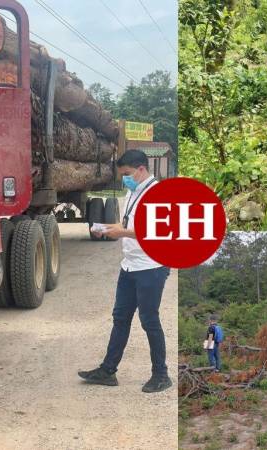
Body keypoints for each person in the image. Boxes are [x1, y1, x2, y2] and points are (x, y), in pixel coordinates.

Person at [78, 150, 172, 393]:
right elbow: (128, 225)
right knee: (120, 318)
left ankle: (161, 375)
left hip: (151, 266)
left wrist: (121, 233)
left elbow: (156, 231)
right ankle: (107, 371)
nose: (125, 180)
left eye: (128, 174)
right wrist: (108, 228)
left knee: (149, 320)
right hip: (129, 265)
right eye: (123, 176)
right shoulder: (134, 192)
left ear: (141, 169)